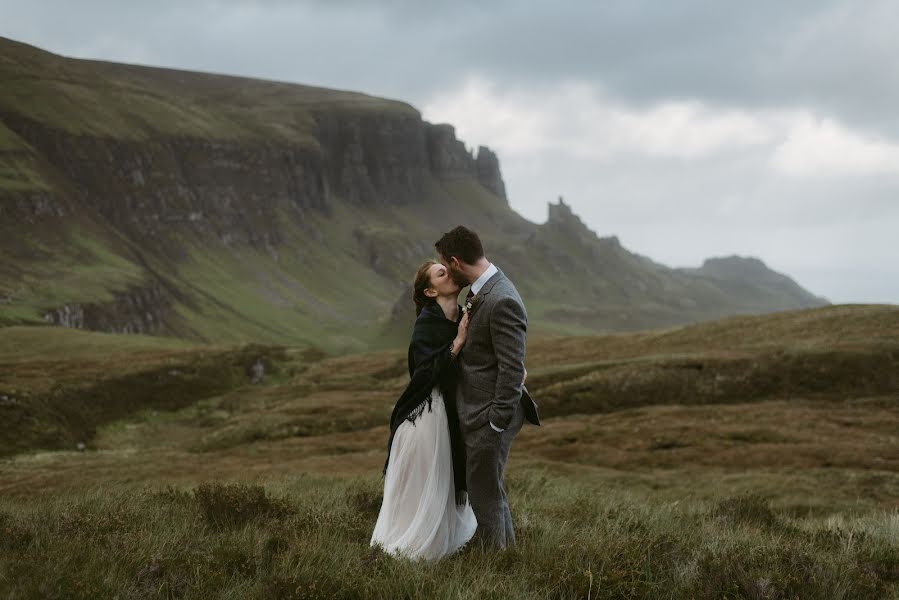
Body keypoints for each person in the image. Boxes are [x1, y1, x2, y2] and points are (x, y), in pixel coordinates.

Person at [435, 225, 540, 550]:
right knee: (487, 488)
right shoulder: (483, 290)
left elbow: (512, 371)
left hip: (491, 416)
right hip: (480, 411)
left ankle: (497, 563)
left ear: (455, 262)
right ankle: (504, 554)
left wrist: (495, 422)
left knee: (483, 491)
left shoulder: (502, 299)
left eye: (444, 265)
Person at [370, 260, 477, 560]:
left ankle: (436, 554)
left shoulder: (464, 316)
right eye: (441, 273)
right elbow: (424, 374)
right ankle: (410, 557)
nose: (450, 273)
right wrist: (457, 343)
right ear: (430, 291)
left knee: (442, 491)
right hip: (424, 419)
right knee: (421, 494)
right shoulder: (427, 324)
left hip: (449, 418)